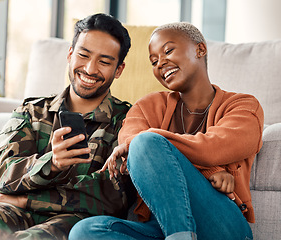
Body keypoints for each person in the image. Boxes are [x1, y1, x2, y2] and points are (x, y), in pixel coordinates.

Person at [0, 13, 134, 240]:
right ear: (70, 54)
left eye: (104, 62)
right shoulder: (32, 111)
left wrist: (26, 198)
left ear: (118, 69)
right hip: (14, 210)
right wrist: (51, 164)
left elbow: (112, 197)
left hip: (74, 219)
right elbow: (4, 177)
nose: (90, 69)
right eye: (83, 55)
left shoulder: (127, 121)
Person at [69, 22, 264, 240]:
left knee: (146, 143)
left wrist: (154, 143)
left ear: (200, 49)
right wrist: (210, 171)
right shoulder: (147, 105)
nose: (161, 63)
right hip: (161, 226)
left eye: (168, 51)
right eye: (153, 61)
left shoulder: (244, 106)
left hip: (222, 226)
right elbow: (129, 142)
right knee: (84, 232)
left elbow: (212, 149)